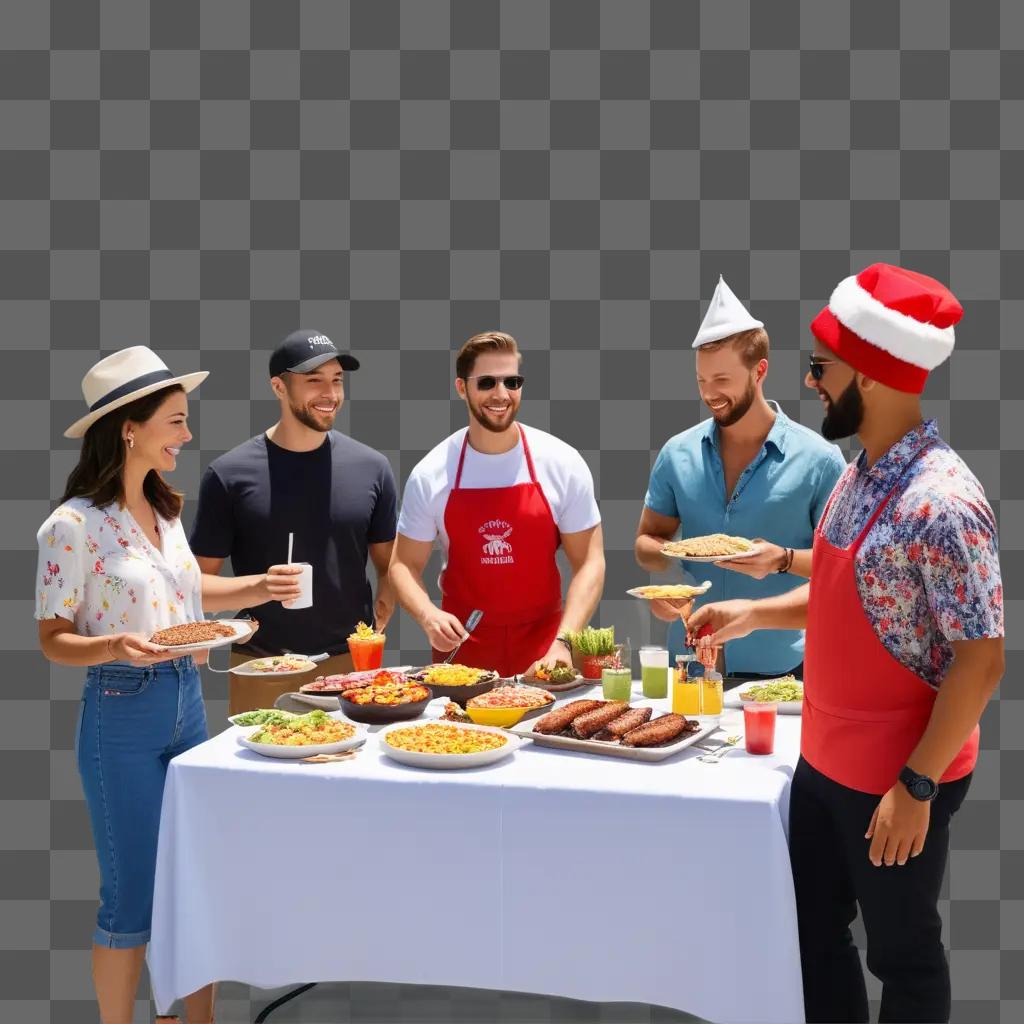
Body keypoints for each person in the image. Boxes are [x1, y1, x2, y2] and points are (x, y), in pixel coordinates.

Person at [688, 264, 1004, 1023]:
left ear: (872, 373)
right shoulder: (858, 473)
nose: (810, 381)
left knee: (904, 960)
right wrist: (752, 614)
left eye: (823, 367)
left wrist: (917, 785)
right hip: (824, 763)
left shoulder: (943, 501)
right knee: (809, 935)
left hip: (893, 779)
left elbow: (982, 660)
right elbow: (849, 594)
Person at [35, 347, 300, 1024]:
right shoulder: (70, 527)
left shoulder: (164, 509)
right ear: (130, 426)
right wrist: (112, 645)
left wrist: (259, 586)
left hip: (188, 702)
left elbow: (187, 589)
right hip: (120, 710)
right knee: (131, 895)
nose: (186, 436)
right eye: (176, 422)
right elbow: (52, 638)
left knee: (194, 881)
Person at [634, 276, 845, 680]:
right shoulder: (677, 454)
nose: (709, 394)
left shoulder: (820, 460)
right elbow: (646, 542)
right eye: (702, 381)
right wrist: (668, 589)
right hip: (691, 663)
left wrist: (781, 560)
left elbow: (845, 569)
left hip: (786, 670)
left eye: (722, 380)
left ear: (759, 371)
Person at [189, 331, 398, 714]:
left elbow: (390, 565)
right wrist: (261, 586)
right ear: (278, 387)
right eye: (313, 380)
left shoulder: (373, 468)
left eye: (336, 380)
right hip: (262, 667)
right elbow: (195, 587)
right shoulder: (229, 474)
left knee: (350, 770)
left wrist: (387, 594)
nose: (330, 393)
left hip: (350, 669)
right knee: (257, 774)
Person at [390, 331, 605, 677]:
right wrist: (428, 615)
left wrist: (564, 641)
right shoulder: (431, 472)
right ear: (462, 388)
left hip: (546, 648)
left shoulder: (562, 461)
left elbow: (590, 562)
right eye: (487, 382)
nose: (501, 395)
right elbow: (402, 564)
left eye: (512, 382)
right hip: (461, 651)